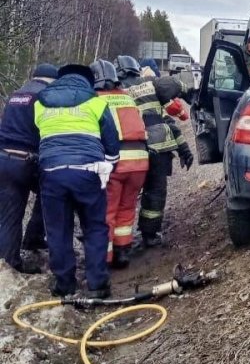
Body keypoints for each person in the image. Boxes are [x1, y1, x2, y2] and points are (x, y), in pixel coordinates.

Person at [34, 64, 120, 298]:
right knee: (94, 227)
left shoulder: (40, 102)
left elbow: (38, 138)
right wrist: (109, 168)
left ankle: (64, 284)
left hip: (51, 172)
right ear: (87, 81)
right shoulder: (96, 101)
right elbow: (112, 143)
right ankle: (97, 285)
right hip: (88, 171)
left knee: (58, 230)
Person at [116, 55, 193, 248]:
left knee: (122, 195)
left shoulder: (113, 91)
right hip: (159, 147)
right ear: (136, 69)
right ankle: (150, 235)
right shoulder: (151, 83)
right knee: (156, 192)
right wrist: (189, 91)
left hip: (127, 151)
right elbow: (169, 115)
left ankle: (118, 240)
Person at [0, 63, 58, 273]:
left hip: (4, 159)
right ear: (52, 80)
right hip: (28, 160)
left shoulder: (16, 94)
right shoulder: (46, 96)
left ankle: (8, 265)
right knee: (53, 193)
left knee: (9, 216)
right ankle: (34, 238)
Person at [90, 60, 149, 268]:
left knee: (108, 211)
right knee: (127, 207)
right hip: (140, 161)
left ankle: (104, 258)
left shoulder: (94, 100)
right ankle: (122, 252)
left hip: (115, 162)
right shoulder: (127, 97)